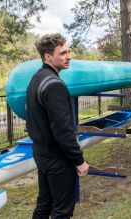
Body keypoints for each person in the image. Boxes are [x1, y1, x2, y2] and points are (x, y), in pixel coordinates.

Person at [26, 33, 89, 218]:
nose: (68, 56)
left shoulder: (36, 78)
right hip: (57, 158)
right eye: (62, 53)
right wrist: (79, 160)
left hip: (41, 154)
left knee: (44, 205)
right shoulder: (55, 85)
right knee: (62, 211)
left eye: (68, 52)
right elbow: (63, 131)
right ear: (48, 57)